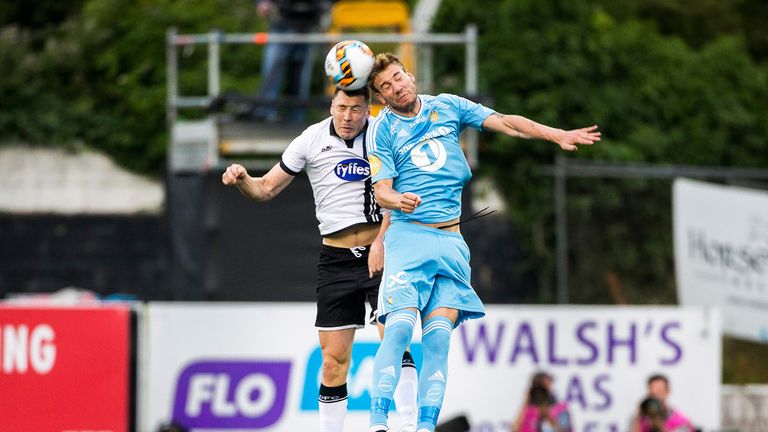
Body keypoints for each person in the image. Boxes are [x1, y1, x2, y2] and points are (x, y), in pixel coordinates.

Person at [364, 53, 601, 432]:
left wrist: (556, 134)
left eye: (397, 77)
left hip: (452, 241)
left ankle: (424, 428)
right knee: (399, 329)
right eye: (385, 87)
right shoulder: (382, 129)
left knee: (438, 341)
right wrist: (398, 200)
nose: (396, 87)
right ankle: (378, 423)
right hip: (409, 239)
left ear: (409, 74)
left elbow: (506, 122)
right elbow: (382, 192)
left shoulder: (447, 106)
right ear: (381, 96)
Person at [222, 86, 418, 432]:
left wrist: (383, 241)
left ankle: (407, 425)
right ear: (332, 105)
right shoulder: (311, 139)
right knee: (332, 362)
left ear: (368, 109)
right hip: (337, 260)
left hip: (382, 253)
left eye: (356, 109)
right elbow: (264, 188)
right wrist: (242, 179)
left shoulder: (383, 133)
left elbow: (398, 191)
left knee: (395, 339)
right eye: (341, 108)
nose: (347, 117)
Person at [252, 0, 331, 123]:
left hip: (308, 25)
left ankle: (297, 117)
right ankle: (266, 112)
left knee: (300, 78)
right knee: (272, 72)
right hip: (281, 23)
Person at [630, 374, 695, 432]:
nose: (655, 398)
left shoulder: (680, 421)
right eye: (652, 394)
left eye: (659, 392)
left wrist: (659, 425)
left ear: (667, 392)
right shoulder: (642, 420)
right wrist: (638, 416)